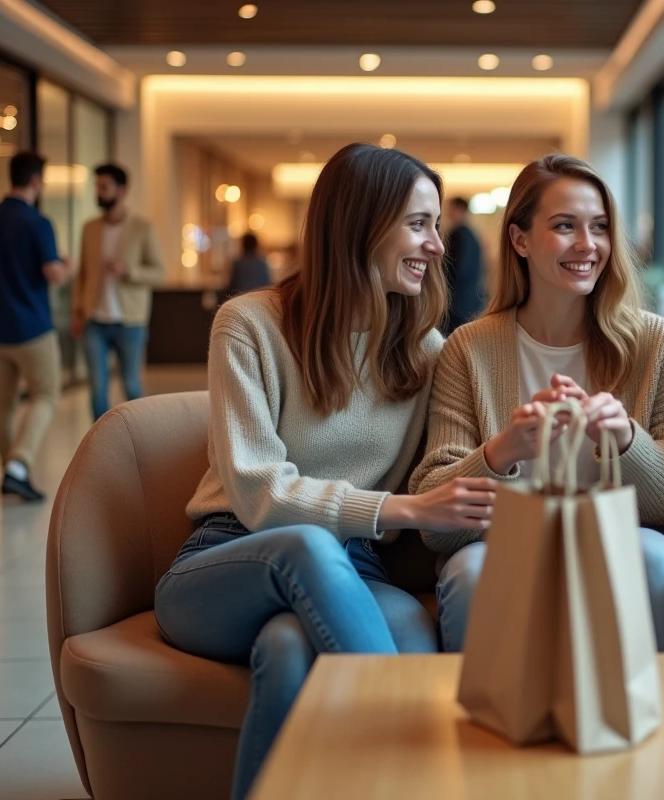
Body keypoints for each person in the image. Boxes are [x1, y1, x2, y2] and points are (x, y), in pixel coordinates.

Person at [153, 144, 499, 800]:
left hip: (356, 568)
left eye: (435, 226)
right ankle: (423, 778)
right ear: (360, 226)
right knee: (308, 546)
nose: (436, 246)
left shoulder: (426, 351)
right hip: (228, 559)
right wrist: (402, 510)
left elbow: (454, 457)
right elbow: (258, 492)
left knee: (290, 648)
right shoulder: (248, 325)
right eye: (418, 225)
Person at [410, 154, 664, 654]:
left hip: (621, 538)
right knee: (469, 573)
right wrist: (503, 451)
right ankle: (484, 708)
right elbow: (436, 529)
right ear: (520, 240)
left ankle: (652, 705)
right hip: (503, 543)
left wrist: (627, 442)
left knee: (655, 558)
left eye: (600, 227)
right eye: (565, 226)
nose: (588, 244)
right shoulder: (469, 349)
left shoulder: (656, 344)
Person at [0, 151, 70, 501]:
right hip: (32, 327)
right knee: (46, 393)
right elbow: (53, 273)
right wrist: (67, 265)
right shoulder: (38, 223)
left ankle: (9, 471)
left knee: (4, 400)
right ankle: (19, 465)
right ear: (36, 181)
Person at [72, 163, 166, 421]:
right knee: (97, 390)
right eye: (97, 187)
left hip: (130, 322)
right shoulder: (89, 228)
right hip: (94, 320)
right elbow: (82, 274)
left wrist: (129, 271)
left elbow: (159, 273)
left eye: (104, 187)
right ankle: (101, 442)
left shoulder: (142, 228)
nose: (98, 192)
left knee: (132, 385)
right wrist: (77, 311)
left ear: (121, 191)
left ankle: (139, 438)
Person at [442, 196, 485, 333]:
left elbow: (458, 269)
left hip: (457, 299)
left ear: (460, 209)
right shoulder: (472, 234)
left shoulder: (458, 235)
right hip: (470, 299)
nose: (448, 212)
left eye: (451, 208)